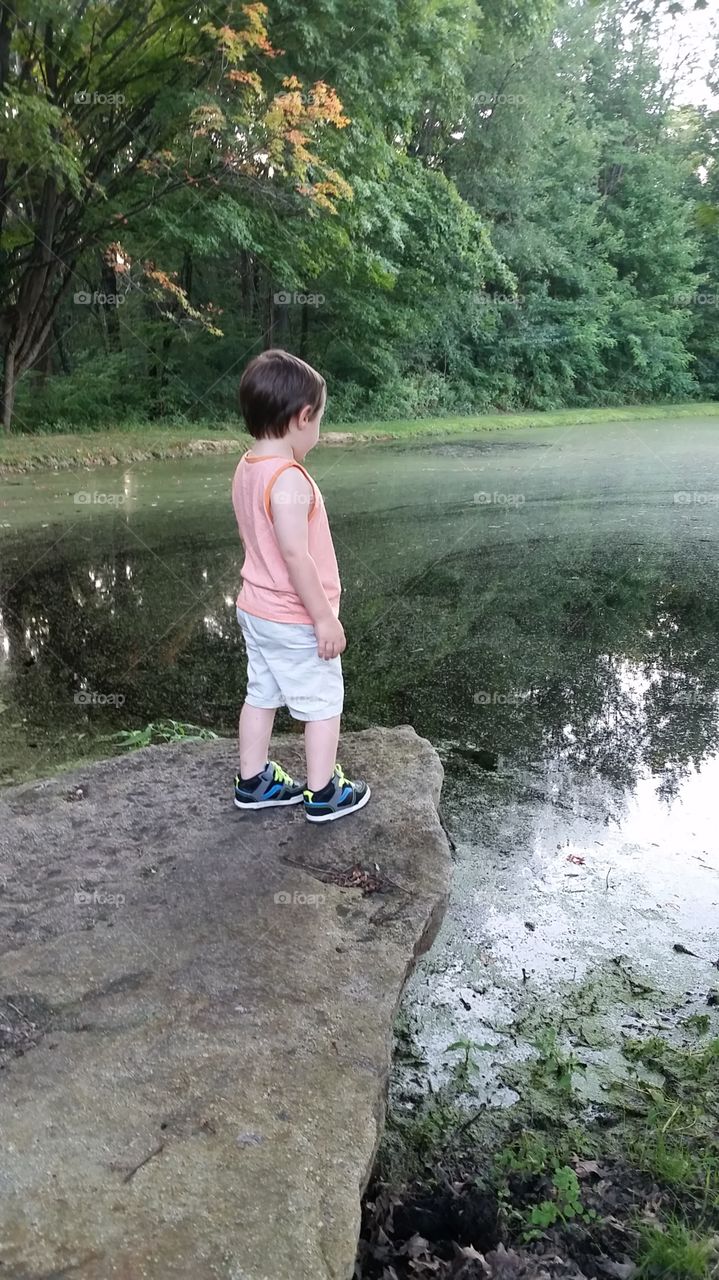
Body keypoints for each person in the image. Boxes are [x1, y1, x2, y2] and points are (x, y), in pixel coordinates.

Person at [231, 347, 370, 822]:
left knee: (261, 693)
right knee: (323, 700)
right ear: (302, 417)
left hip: (255, 608)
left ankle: (253, 781)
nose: (318, 433)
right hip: (293, 617)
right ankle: (324, 791)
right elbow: (295, 555)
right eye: (319, 422)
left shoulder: (248, 466)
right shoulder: (289, 478)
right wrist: (323, 618)